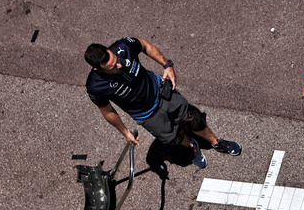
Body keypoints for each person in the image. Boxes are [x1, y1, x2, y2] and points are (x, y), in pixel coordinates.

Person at [85, 37, 240, 170]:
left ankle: (216, 142)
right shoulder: (95, 86)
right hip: (146, 114)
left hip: (161, 91)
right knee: (175, 138)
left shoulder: (123, 47)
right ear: (97, 68)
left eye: (116, 60)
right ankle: (192, 147)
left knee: (193, 119)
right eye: (112, 67)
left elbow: (145, 45)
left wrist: (167, 65)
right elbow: (107, 110)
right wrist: (125, 132)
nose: (119, 65)